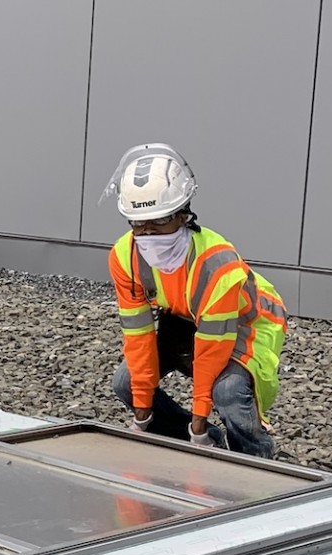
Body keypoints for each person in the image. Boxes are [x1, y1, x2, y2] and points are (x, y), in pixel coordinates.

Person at [103, 144, 287, 457]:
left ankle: (256, 458)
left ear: (183, 214)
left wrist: (198, 424)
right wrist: (143, 414)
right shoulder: (125, 256)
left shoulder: (216, 266)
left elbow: (211, 351)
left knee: (227, 391)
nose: (148, 233)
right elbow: (138, 337)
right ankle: (211, 441)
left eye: (159, 221)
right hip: (186, 317)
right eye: (138, 223)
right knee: (127, 384)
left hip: (248, 321)